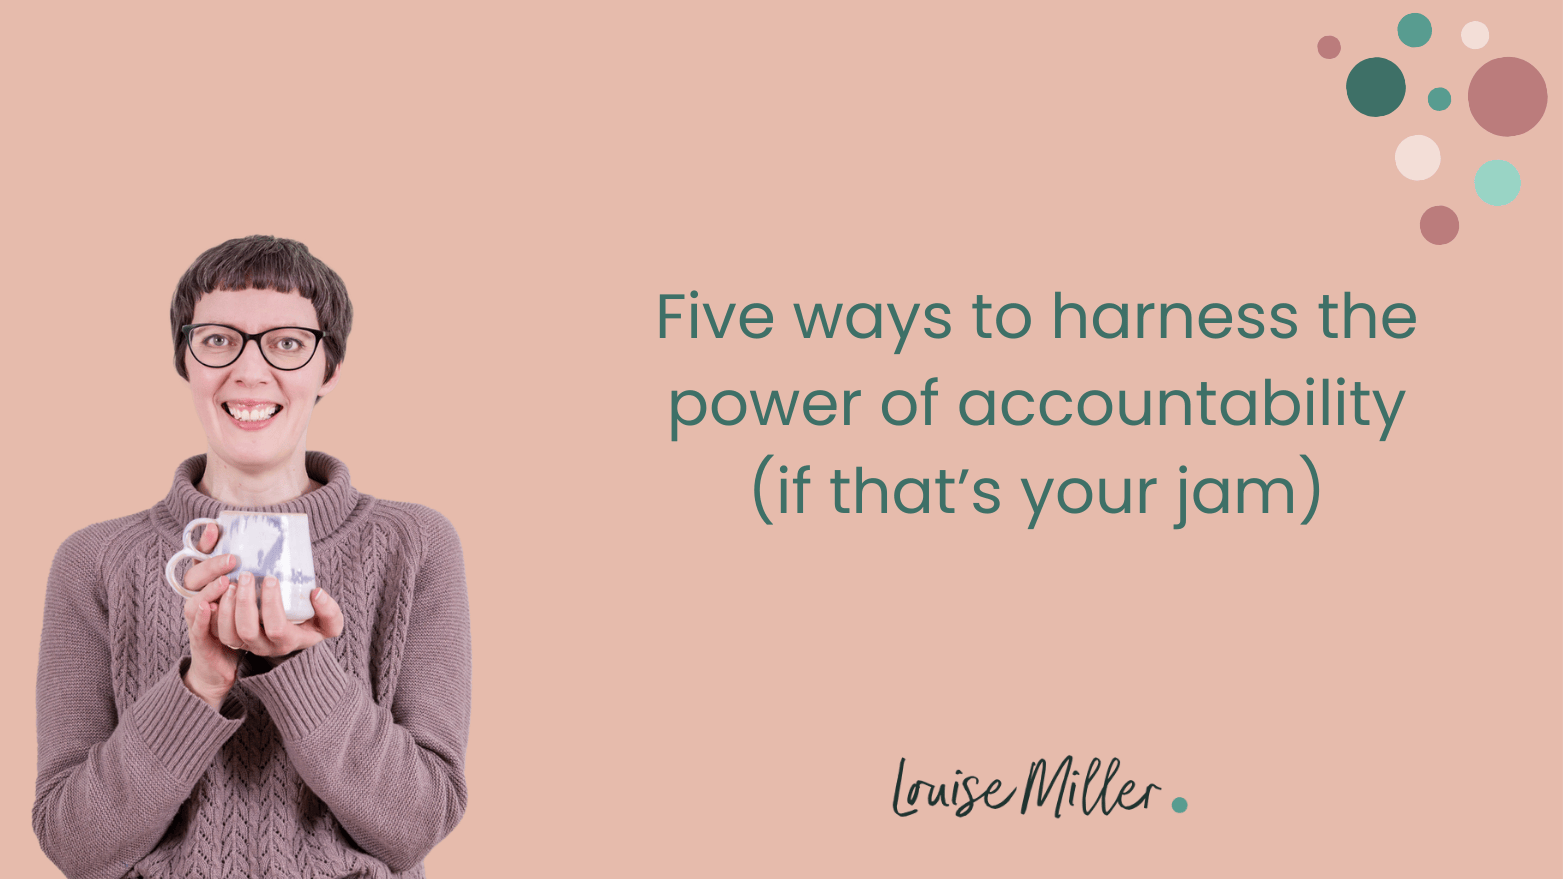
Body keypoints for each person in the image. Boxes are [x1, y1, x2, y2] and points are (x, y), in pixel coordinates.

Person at [33, 236, 471, 878]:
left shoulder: (417, 546)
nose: (250, 371)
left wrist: (299, 667)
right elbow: (73, 844)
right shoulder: (94, 560)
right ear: (185, 359)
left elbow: (416, 826)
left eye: (288, 343)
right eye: (218, 340)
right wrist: (200, 683)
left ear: (332, 367)